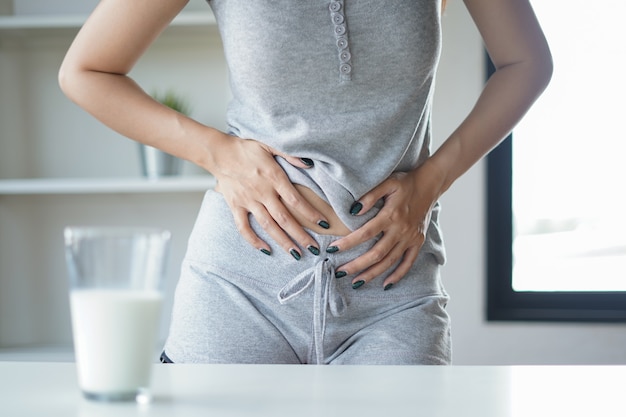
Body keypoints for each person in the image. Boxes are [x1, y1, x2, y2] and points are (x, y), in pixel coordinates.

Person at [59, 0, 552, 365]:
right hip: (240, 288)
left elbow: (526, 63)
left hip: (393, 292)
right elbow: (85, 70)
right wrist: (218, 153)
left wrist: (431, 182)